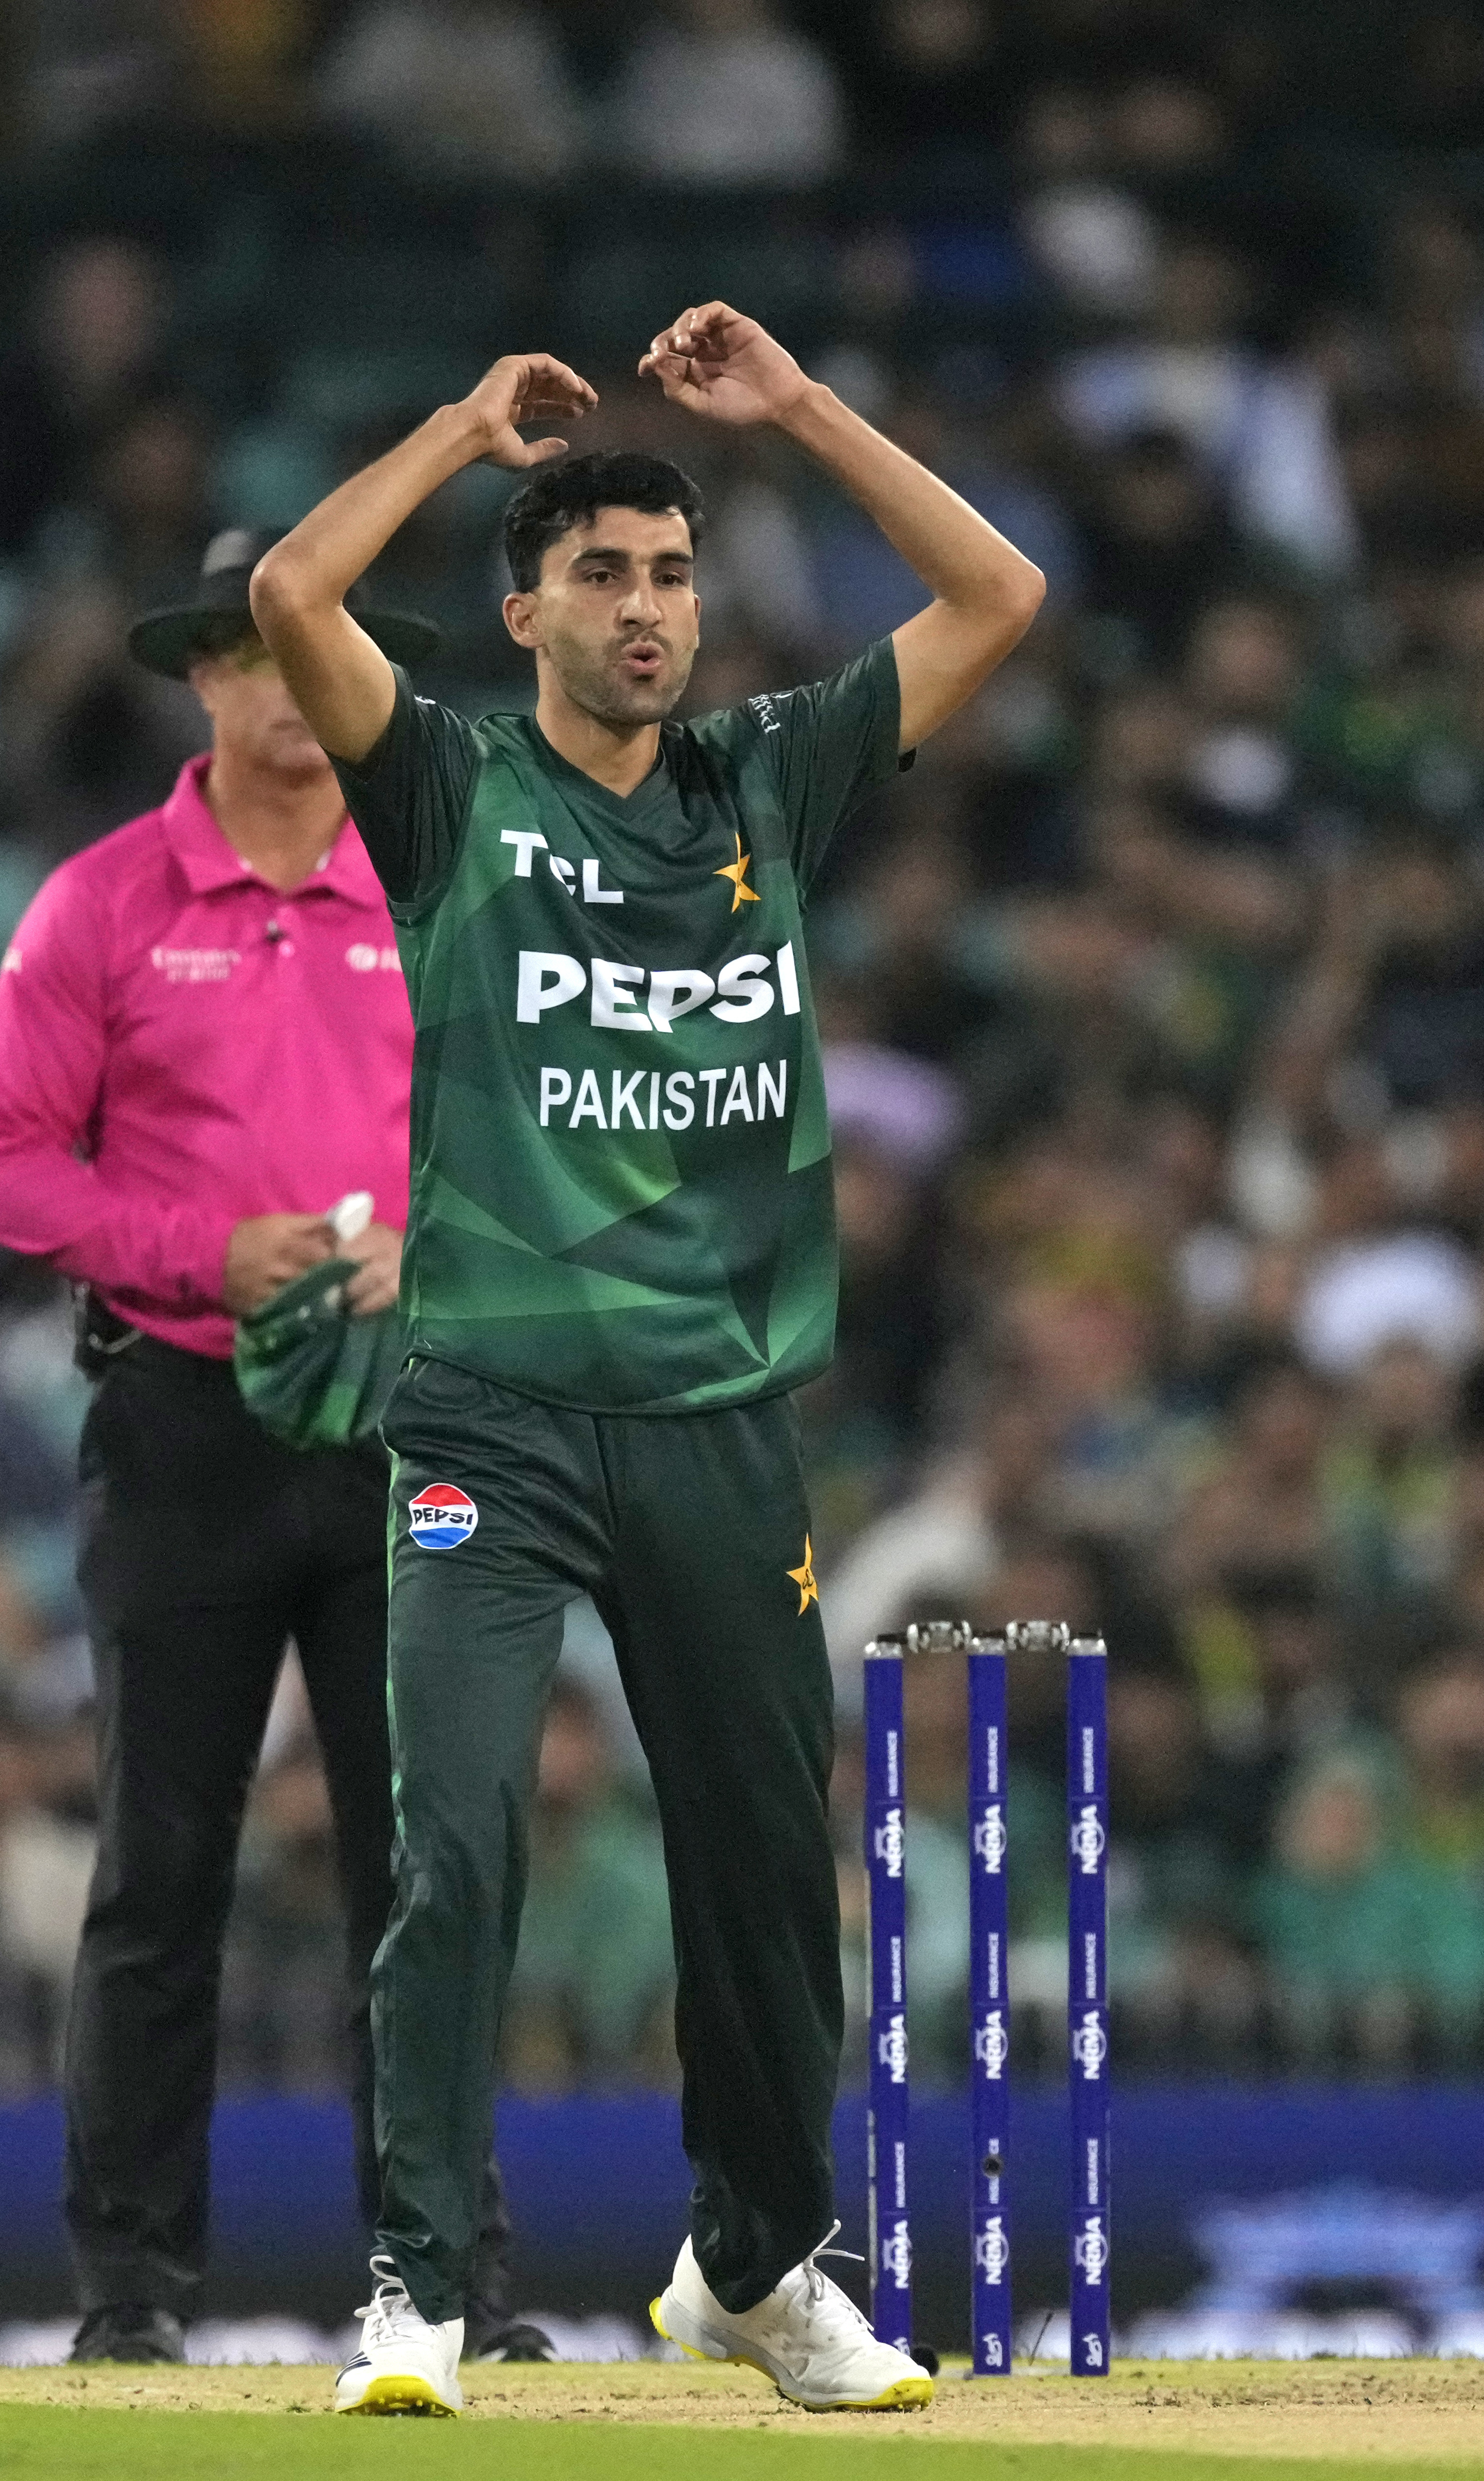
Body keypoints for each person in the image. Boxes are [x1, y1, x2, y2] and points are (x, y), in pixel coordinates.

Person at [250, 298, 1044, 2417]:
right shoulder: (447, 784)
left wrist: (802, 409)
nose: (646, 608)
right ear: (523, 612)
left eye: (674, 574)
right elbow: (295, 595)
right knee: (460, 1841)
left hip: (715, 1421)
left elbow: (1001, 594)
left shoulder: (769, 773)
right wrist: (458, 426)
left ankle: (758, 2267)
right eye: (600, 572)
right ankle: (417, 2289)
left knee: (770, 1861)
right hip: (489, 1419)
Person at [0, 529, 538, 2366]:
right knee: (161, 1869)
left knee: (422, 1873)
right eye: (267, 649)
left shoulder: (442, 883)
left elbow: (538, 1138)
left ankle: (445, 2286)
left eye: (328, 647)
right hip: (184, 1418)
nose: (298, 684)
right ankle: (131, 2294)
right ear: (206, 675)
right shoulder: (105, 904)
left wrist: (432, 1250)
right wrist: (206, 1253)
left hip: (406, 1420)